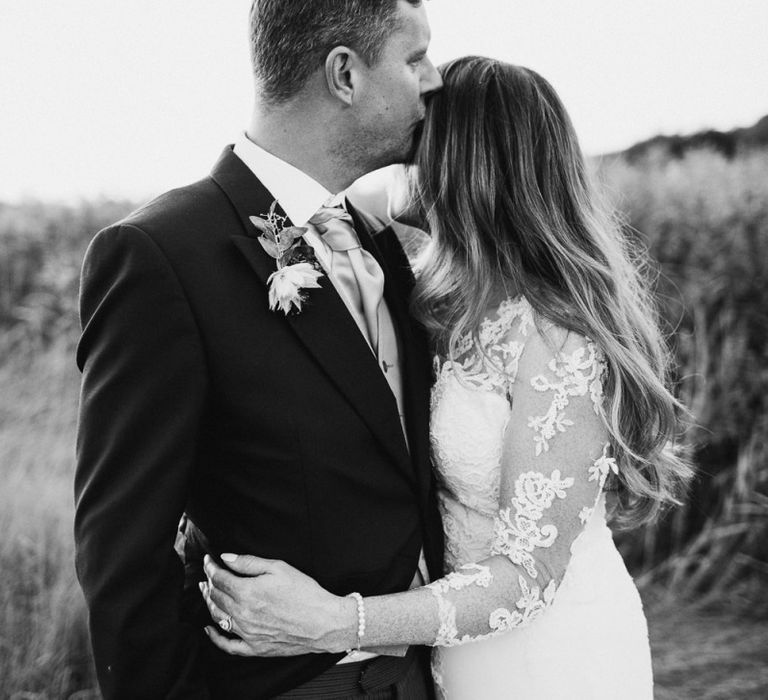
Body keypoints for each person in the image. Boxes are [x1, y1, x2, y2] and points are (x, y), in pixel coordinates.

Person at [200, 57, 693, 699]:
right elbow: (330, 196)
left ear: (463, 164)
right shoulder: (438, 281)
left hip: (548, 659)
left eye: (418, 141)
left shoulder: (558, 334)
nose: (402, 155)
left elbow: (527, 575)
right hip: (454, 655)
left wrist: (335, 621)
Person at [74, 1, 444, 698]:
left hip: (425, 676)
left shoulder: (378, 243)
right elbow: (122, 554)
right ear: (345, 75)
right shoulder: (162, 256)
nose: (435, 80)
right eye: (415, 57)